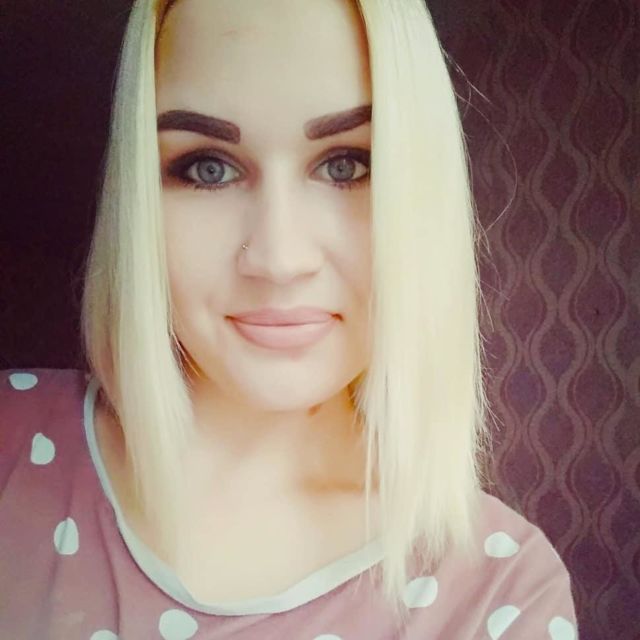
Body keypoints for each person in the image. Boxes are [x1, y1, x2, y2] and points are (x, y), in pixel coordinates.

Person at [0, 0, 580, 637]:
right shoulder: (10, 440)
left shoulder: (500, 593)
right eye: (207, 168)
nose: (278, 260)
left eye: (346, 164)